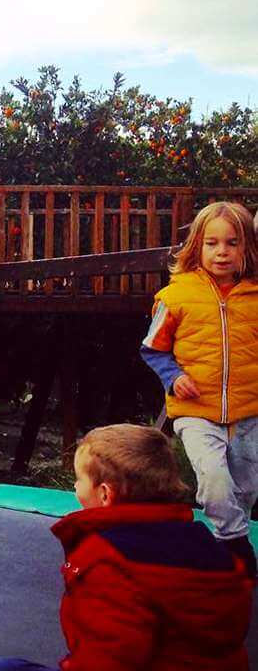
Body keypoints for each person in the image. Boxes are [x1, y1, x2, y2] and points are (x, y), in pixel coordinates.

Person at [0, 424, 253, 671]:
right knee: (84, 666)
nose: (74, 487)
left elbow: (113, 653)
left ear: (104, 494)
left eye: (78, 480)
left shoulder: (110, 560)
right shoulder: (205, 544)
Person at [140, 200, 258, 577]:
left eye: (232, 243)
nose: (222, 252)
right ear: (197, 247)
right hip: (195, 411)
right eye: (212, 243)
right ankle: (235, 544)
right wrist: (174, 377)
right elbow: (152, 349)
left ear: (246, 248)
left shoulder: (255, 297)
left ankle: (228, 536)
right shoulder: (176, 297)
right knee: (214, 480)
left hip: (248, 412)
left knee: (247, 490)